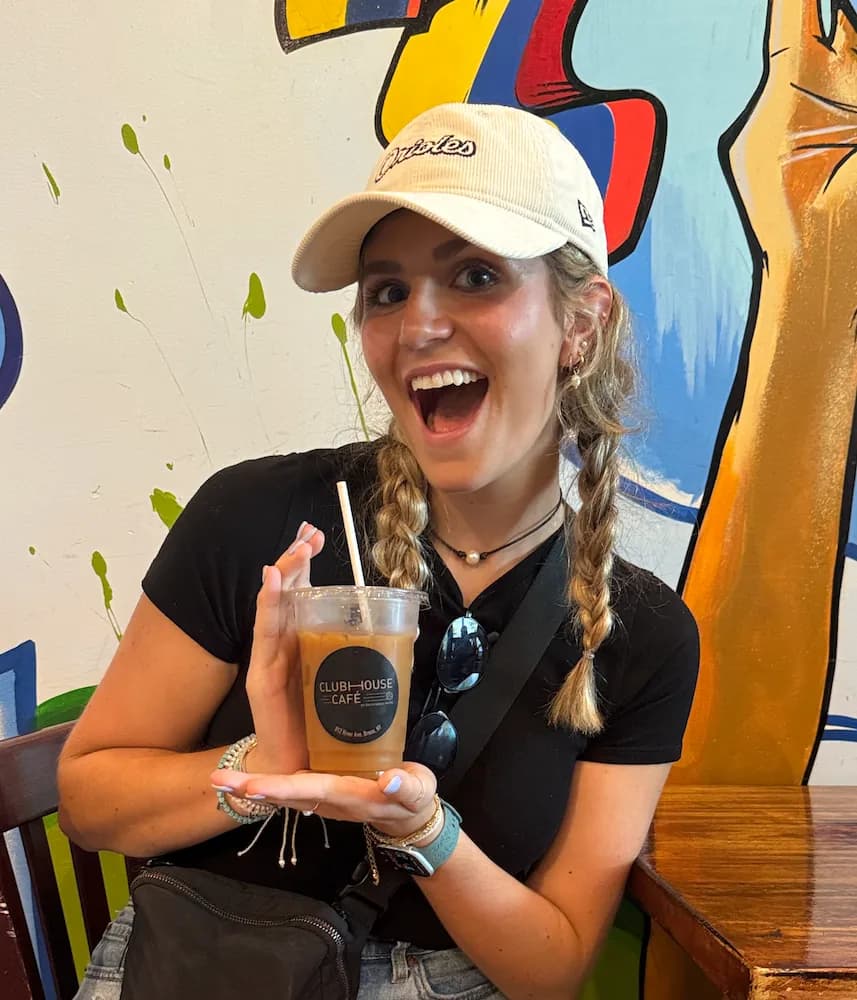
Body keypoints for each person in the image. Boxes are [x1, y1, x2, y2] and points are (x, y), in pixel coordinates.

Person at [59, 102, 699, 1000]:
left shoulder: (639, 634)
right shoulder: (260, 517)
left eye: (475, 275)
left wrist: (424, 831)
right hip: (206, 964)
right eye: (387, 291)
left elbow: (552, 968)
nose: (416, 326)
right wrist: (263, 769)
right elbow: (89, 800)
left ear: (582, 323)